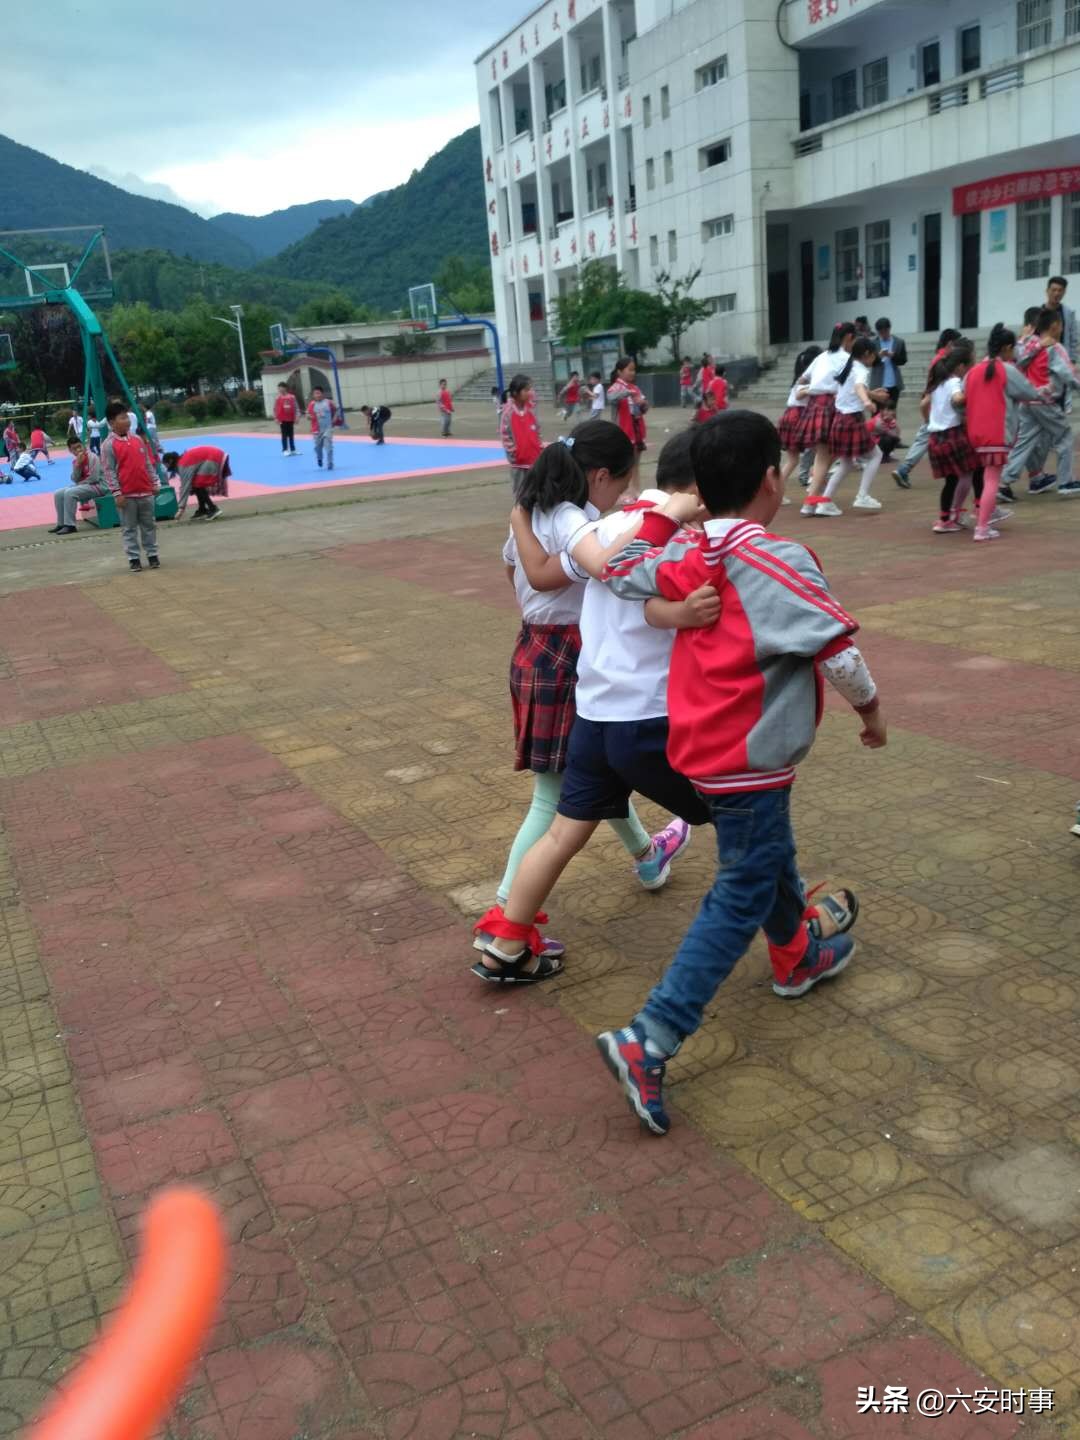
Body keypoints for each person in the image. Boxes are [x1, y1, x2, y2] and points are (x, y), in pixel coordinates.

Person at [592, 410, 885, 1134]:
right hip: (749, 757)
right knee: (743, 884)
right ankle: (650, 1037)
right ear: (771, 479)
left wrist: (669, 518)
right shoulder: (779, 557)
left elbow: (623, 567)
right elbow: (839, 654)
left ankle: (797, 956)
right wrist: (871, 713)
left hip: (704, 753)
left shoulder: (688, 549)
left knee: (765, 853)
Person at [472, 427, 717, 980]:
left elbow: (517, 573)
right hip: (571, 655)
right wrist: (655, 520)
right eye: (619, 485)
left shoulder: (540, 513)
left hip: (538, 645)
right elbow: (606, 568)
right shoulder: (575, 519)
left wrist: (523, 524)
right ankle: (510, 914)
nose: (621, 497)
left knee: (585, 780)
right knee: (555, 797)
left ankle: (644, 858)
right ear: (601, 476)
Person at [963, 325, 1044, 543]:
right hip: (996, 432)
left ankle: (975, 518)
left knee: (983, 477)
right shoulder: (1006, 370)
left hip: (975, 432)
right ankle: (981, 528)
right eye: (1013, 348)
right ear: (1007, 348)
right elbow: (1027, 391)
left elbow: (962, 398)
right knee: (992, 480)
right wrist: (1043, 392)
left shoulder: (973, 371)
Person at [1001, 308, 1080, 498]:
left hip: (1028, 401)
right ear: (1054, 326)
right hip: (1046, 402)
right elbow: (1068, 375)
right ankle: (1066, 481)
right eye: (1061, 325)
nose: (1061, 329)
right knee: (1064, 436)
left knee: (1023, 442)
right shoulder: (1055, 348)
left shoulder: (1030, 345)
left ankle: (1003, 482)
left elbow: (1018, 363)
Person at [803, 336, 884, 515]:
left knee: (846, 463)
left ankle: (824, 503)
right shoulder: (861, 369)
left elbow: (851, 388)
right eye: (874, 355)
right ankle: (862, 496)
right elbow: (858, 388)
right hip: (851, 419)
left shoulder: (847, 367)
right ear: (867, 354)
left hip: (839, 419)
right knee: (876, 455)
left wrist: (871, 396)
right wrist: (867, 401)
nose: (874, 359)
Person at [795, 322, 855, 506]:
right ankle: (812, 500)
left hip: (815, 404)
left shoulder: (822, 356)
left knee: (825, 455)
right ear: (848, 337)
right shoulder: (847, 358)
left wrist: (807, 389)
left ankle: (814, 497)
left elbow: (802, 378)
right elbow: (850, 386)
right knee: (826, 455)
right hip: (832, 405)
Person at [893, 328, 961, 488]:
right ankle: (904, 469)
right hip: (936, 406)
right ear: (950, 343)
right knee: (926, 437)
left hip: (933, 405)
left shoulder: (939, 358)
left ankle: (904, 469)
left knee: (923, 438)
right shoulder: (943, 360)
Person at [923, 343, 979, 533]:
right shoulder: (954, 382)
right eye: (969, 366)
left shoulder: (937, 384)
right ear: (961, 366)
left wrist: (928, 421)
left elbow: (924, 404)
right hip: (952, 435)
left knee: (951, 480)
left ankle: (945, 519)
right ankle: (953, 514)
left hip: (935, 438)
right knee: (968, 473)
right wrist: (967, 397)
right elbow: (957, 399)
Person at [101, 401, 160, 571]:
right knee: (129, 528)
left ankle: (152, 554)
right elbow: (109, 471)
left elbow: (147, 463)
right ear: (112, 423)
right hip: (127, 495)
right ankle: (134, 558)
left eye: (126, 417)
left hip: (145, 492)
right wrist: (117, 493)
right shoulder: (108, 445)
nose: (127, 420)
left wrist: (154, 482)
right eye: (122, 418)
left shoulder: (137, 440)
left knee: (149, 525)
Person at [778, 345, 822, 489]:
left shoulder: (798, 380)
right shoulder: (807, 382)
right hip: (798, 418)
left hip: (790, 416)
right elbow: (801, 394)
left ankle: (777, 491)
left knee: (793, 460)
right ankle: (813, 480)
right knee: (820, 451)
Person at [49, 438, 109, 532]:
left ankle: (70, 525)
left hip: (99, 486)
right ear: (70, 450)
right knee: (58, 494)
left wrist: (78, 485)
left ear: (83, 445)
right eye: (74, 448)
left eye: (79, 446)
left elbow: (94, 478)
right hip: (87, 485)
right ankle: (61, 523)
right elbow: (74, 478)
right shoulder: (77, 460)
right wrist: (78, 465)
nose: (78, 450)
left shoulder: (92, 457)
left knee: (70, 492)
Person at [161, 445, 230, 520]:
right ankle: (202, 510)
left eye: (165, 464)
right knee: (196, 485)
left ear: (170, 461)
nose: (166, 467)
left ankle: (213, 509)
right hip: (214, 455)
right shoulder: (182, 462)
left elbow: (185, 487)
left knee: (198, 485)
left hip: (214, 456)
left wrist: (181, 508)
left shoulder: (182, 465)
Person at [500, 374, 543, 489]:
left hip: (534, 460)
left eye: (530, 389)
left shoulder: (531, 410)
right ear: (515, 393)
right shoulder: (508, 412)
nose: (529, 392)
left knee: (537, 493)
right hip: (519, 463)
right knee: (521, 495)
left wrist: (539, 446)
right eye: (526, 390)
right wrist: (514, 453)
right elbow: (505, 436)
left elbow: (537, 430)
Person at [608, 356, 648, 453]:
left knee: (636, 464)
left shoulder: (635, 387)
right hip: (623, 432)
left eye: (634, 370)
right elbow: (611, 397)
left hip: (637, 431)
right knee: (628, 465)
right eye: (630, 370)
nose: (633, 373)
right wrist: (628, 392)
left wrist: (643, 404)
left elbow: (643, 410)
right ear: (619, 372)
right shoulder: (615, 388)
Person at [868, 317, 907, 408]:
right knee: (876, 412)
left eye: (885, 331)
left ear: (889, 329)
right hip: (878, 384)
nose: (883, 334)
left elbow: (903, 360)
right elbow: (869, 363)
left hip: (894, 383)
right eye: (880, 332)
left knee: (891, 412)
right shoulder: (873, 343)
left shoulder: (899, 342)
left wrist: (893, 356)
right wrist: (879, 356)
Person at [1045, 275, 1078, 364]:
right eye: (1054, 290)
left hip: (1063, 359)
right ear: (1047, 291)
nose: (1057, 293)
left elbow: (1073, 339)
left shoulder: (1069, 313)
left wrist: (1072, 360)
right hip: (1044, 359)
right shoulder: (1039, 313)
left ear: (1064, 292)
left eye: (1060, 290)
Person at [308, 386, 335, 469]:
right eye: (315, 393)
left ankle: (330, 463)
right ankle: (319, 458)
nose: (317, 395)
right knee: (318, 448)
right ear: (313, 395)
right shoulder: (312, 404)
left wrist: (333, 420)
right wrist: (310, 417)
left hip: (327, 429)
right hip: (316, 430)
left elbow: (335, 411)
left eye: (319, 393)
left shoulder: (328, 402)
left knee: (329, 447)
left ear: (322, 394)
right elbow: (308, 415)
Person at [273, 383, 299, 456]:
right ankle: (285, 450)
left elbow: (296, 407)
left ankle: (293, 450)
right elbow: (275, 409)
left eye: (281, 388)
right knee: (284, 435)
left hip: (290, 419)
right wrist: (275, 418)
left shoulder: (292, 397)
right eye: (279, 388)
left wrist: (297, 416)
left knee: (291, 435)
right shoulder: (277, 398)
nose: (280, 389)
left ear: (285, 388)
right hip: (282, 419)